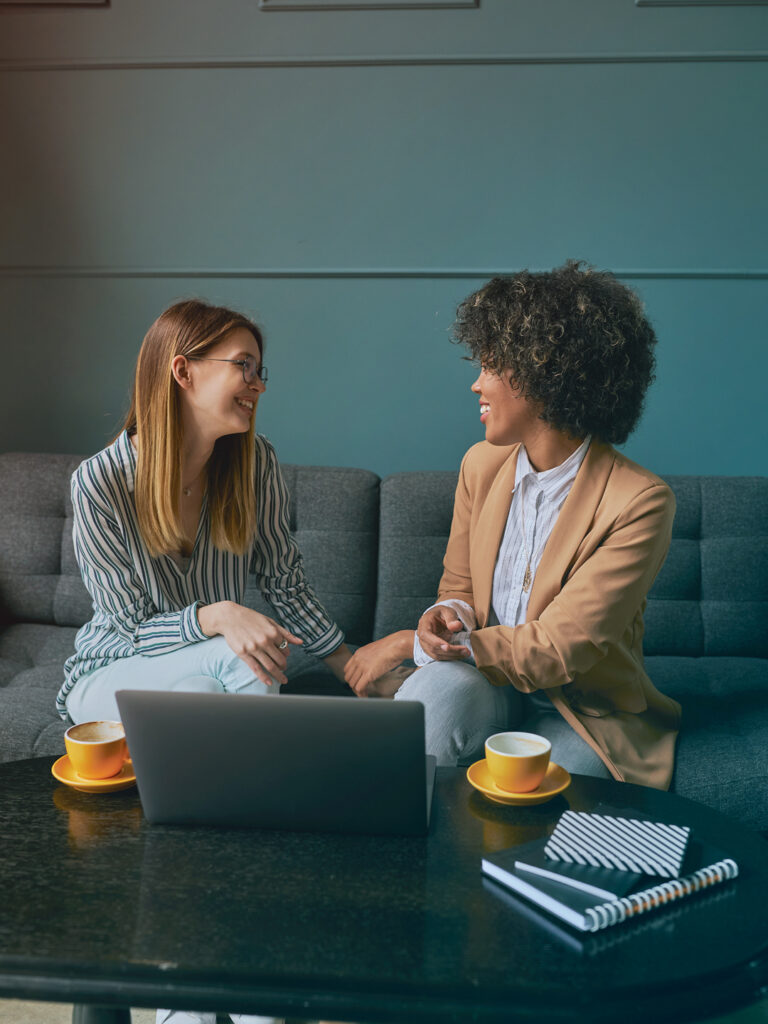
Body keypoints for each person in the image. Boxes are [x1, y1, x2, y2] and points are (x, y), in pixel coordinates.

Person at [58, 299, 353, 1024]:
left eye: (260, 369)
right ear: (183, 372)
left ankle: (211, 981)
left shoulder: (257, 467)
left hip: (210, 677)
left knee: (249, 664)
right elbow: (124, 627)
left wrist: (349, 661)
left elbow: (284, 582)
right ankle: (212, 990)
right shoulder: (101, 481)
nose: (258, 383)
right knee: (222, 665)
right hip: (111, 675)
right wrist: (215, 616)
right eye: (242, 366)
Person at [344, 261, 681, 790]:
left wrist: (407, 643)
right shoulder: (480, 464)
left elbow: (561, 648)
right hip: (483, 678)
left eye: (491, 364)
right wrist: (444, 617)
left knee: (556, 798)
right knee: (429, 712)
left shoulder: (639, 501)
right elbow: (459, 588)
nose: (475, 383)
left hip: (580, 706)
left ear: (546, 372)